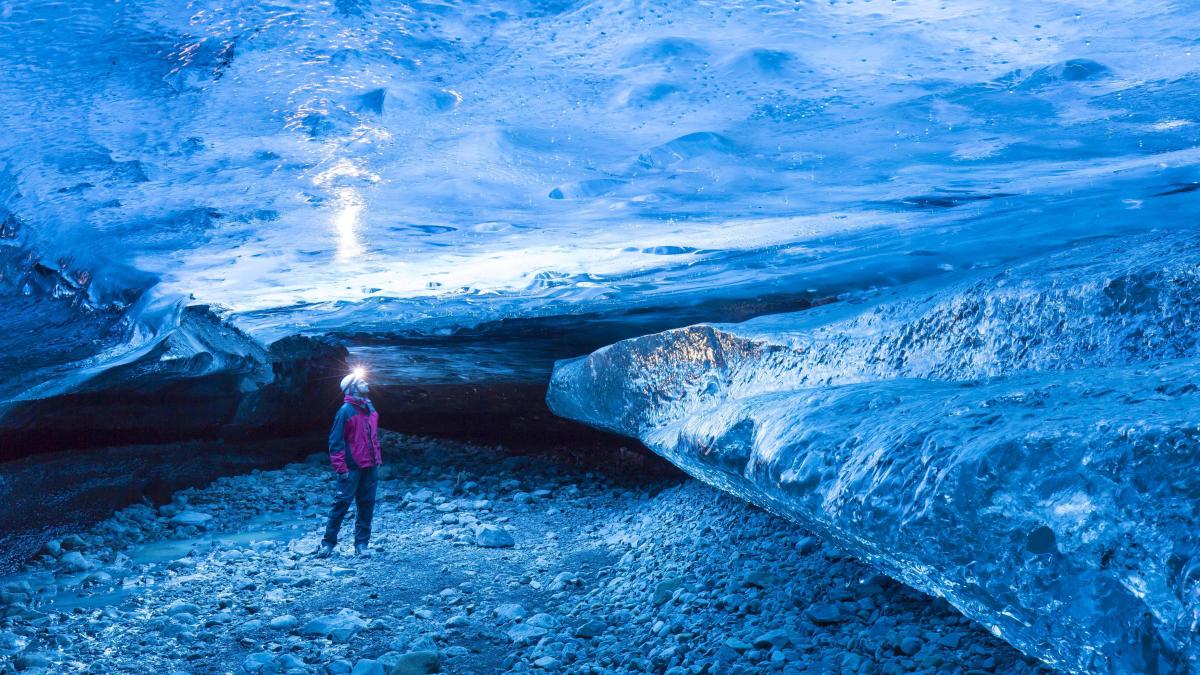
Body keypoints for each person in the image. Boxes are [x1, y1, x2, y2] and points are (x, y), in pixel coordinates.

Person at [316, 369, 382, 558]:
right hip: (352, 467)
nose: (366, 384)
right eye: (361, 382)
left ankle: (362, 545)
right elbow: (335, 441)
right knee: (341, 504)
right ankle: (328, 543)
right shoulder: (345, 411)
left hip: (370, 465)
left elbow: (373, 436)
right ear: (352, 388)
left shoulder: (370, 407)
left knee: (366, 504)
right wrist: (340, 468)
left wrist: (376, 459)